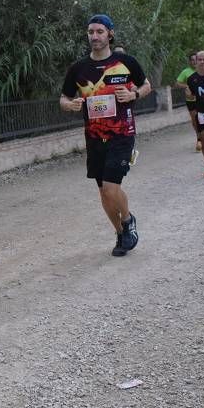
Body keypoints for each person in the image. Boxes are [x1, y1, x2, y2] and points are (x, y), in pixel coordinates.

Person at [60, 13, 152, 257]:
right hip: (94, 136)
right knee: (103, 191)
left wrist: (134, 96)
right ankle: (121, 232)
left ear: (110, 34)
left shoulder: (126, 61)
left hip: (122, 134)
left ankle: (128, 220)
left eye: (100, 32)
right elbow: (64, 98)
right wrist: (69, 105)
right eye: (91, 32)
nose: (95, 36)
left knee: (112, 187)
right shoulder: (78, 69)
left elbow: (146, 85)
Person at [175, 52, 202, 151]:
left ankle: (203, 139)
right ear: (190, 61)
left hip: (203, 99)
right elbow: (177, 83)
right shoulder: (186, 72)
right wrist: (186, 86)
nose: (194, 62)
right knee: (195, 120)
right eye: (192, 60)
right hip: (191, 100)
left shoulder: (203, 70)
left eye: (196, 59)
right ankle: (199, 138)